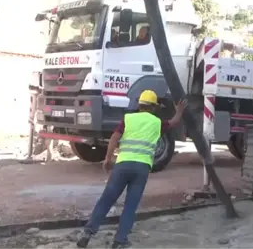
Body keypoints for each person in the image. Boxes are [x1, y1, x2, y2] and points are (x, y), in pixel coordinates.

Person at [77, 90, 187, 249]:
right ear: (154, 108)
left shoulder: (128, 119)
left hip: (122, 166)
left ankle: (88, 233)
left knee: (107, 199)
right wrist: (180, 111)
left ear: (139, 105)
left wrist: (108, 159)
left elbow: (114, 137)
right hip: (141, 169)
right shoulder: (156, 122)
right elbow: (174, 122)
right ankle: (120, 241)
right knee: (130, 205)